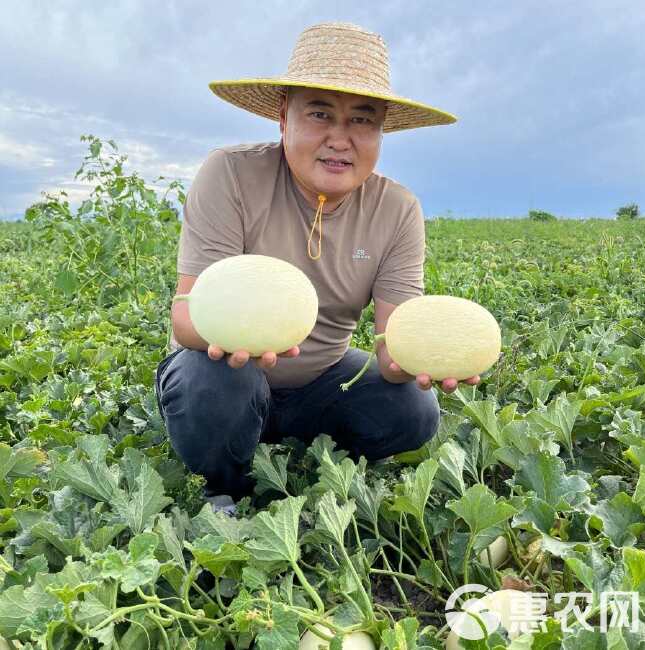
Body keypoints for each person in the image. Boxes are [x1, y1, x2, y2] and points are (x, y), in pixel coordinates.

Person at [154, 22, 480, 514]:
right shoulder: (230, 173)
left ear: (381, 131)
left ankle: (306, 450)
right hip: (224, 368)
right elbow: (185, 314)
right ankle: (226, 486)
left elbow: (393, 349)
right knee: (212, 385)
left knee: (414, 411)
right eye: (320, 113)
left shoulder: (399, 210)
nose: (340, 139)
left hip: (323, 379)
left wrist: (423, 360)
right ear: (283, 118)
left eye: (362, 121)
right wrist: (233, 335)